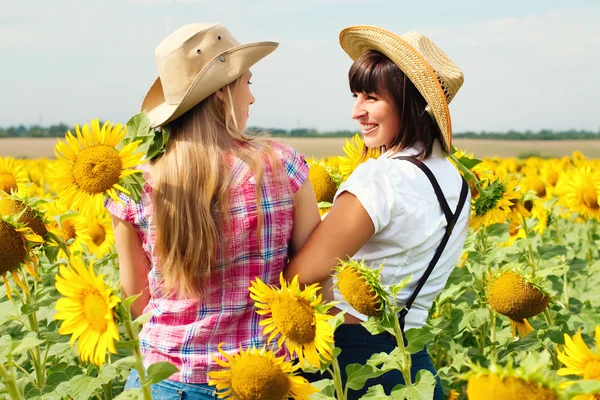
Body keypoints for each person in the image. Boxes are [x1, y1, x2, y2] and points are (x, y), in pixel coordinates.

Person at [106, 23, 321, 398]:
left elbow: (136, 303)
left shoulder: (134, 186)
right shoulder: (283, 165)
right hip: (260, 380)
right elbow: (314, 278)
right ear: (222, 93)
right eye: (247, 84)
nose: (251, 100)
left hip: (163, 379)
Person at [284, 26, 470, 399]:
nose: (357, 112)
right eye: (356, 96)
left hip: (353, 361)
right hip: (415, 367)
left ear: (410, 101)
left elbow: (302, 274)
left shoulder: (382, 177)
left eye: (371, 97)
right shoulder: (459, 182)